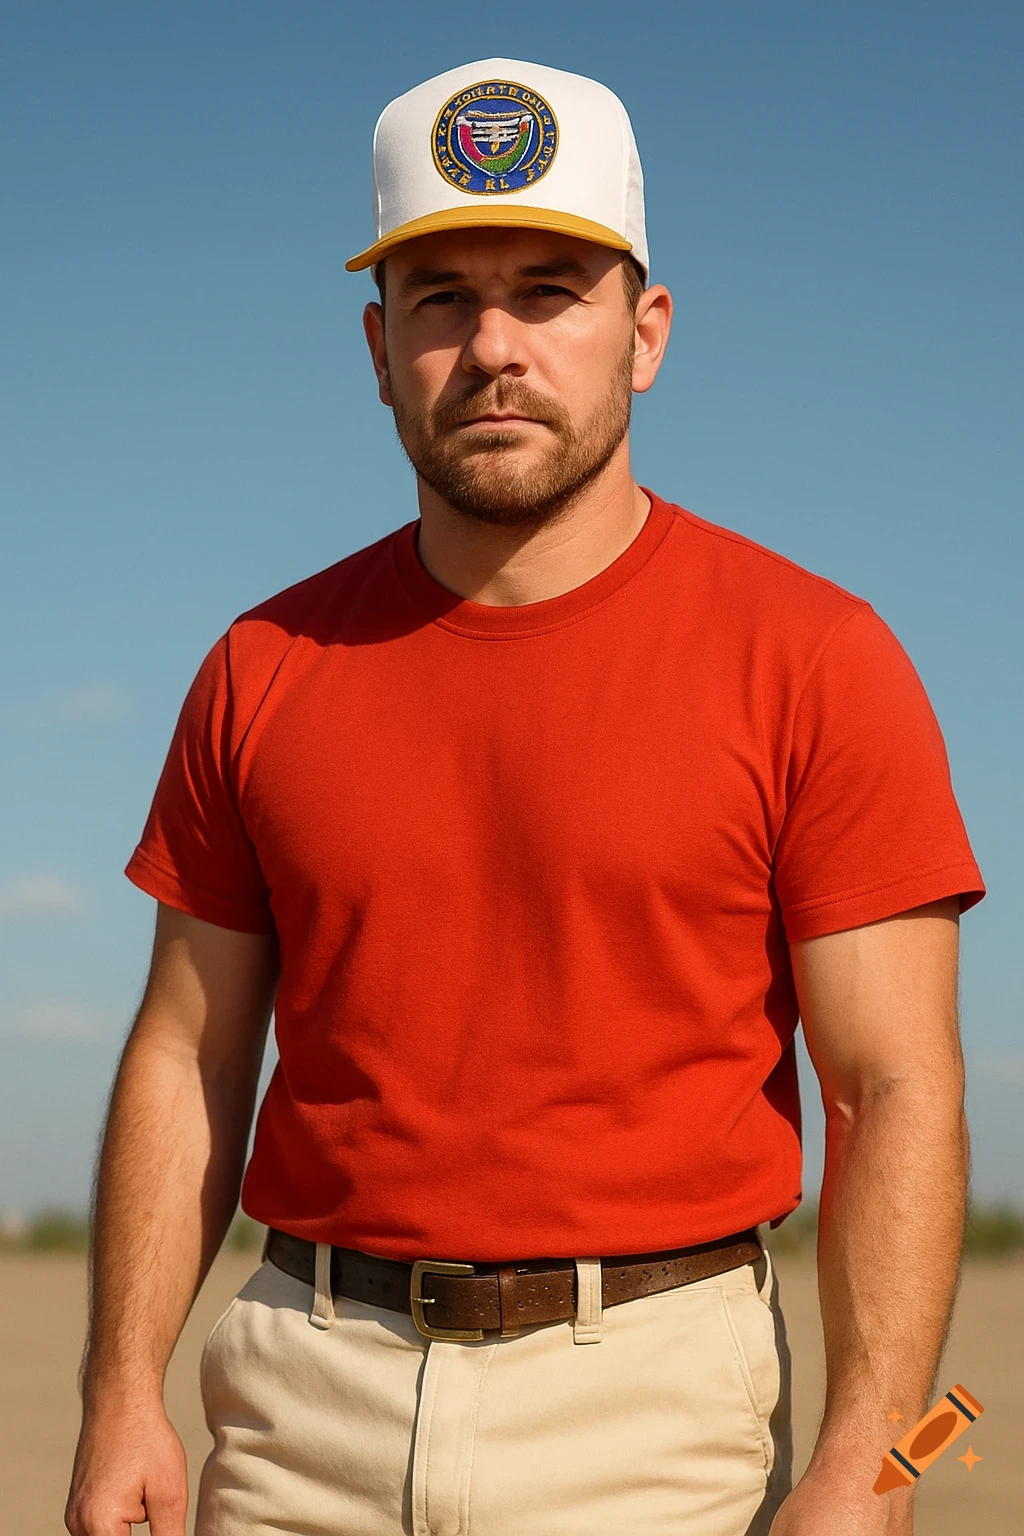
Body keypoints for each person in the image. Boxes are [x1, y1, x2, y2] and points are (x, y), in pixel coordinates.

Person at [65, 56, 985, 1536]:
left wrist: (876, 1471)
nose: (494, 346)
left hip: (656, 1419)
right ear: (378, 348)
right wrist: (120, 1399)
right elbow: (187, 1050)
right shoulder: (263, 665)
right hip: (301, 1401)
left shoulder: (817, 658)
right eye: (442, 299)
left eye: (552, 290)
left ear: (647, 332)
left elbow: (894, 1091)